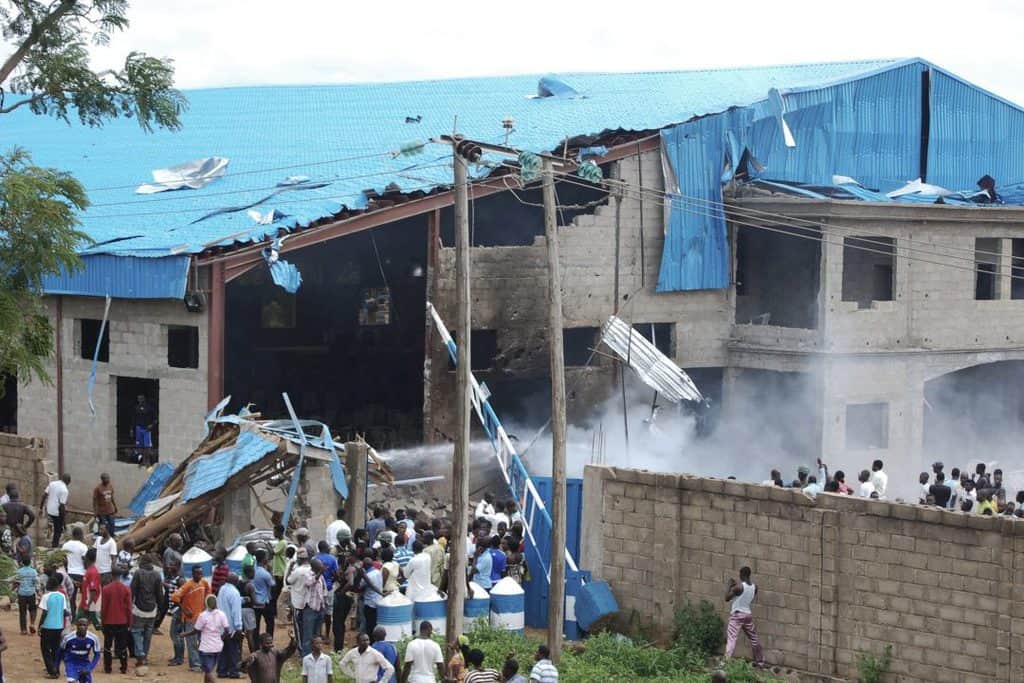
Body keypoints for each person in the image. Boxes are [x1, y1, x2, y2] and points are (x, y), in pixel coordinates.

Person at [171, 564, 211, 673]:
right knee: (192, 642)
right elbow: (174, 597)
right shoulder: (188, 585)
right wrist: (184, 609)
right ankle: (195, 664)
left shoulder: (204, 583)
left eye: (201, 573)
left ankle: (201, 662)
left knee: (201, 641)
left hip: (201, 618)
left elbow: (209, 593)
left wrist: (205, 607)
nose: (200, 575)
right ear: (193, 573)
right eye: (197, 573)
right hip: (190, 619)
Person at [724, 566, 764, 667]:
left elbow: (726, 598)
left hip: (737, 615)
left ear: (742, 574)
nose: (739, 576)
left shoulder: (739, 587)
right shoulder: (755, 587)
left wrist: (729, 586)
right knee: (754, 638)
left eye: (740, 574)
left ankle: (724, 663)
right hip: (747, 615)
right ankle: (760, 662)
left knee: (731, 639)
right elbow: (746, 597)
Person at [185, 594, 230, 683]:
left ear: (206, 604)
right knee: (209, 670)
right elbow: (227, 629)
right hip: (217, 647)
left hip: (206, 648)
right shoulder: (222, 614)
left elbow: (196, 630)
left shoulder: (203, 615)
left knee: (208, 671)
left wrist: (185, 634)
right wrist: (221, 637)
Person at [130, 553, 163, 667]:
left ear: (142, 563)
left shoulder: (138, 573)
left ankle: (140, 654)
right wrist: (160, 609)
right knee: (148, 634)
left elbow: (132, 591)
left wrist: (130, 605)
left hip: (139, 609)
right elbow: (159, 594)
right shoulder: (157, 575)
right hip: (152, 610)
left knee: (136, 632)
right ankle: (144, 657)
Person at [100, 566, 132, 674]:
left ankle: (107, 668)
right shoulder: (126, 589)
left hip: (109, 621)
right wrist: (129, 622)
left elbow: (104, 607)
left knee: (108, 646)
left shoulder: (106, 589)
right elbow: (128, 607)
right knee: (122, 645)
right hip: (122, 621)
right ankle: (123, 667)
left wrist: (103, 621)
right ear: (121, 575)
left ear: (111, 575)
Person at [38, 574, 71, 678]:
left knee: (45, 649)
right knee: (56, 648)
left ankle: (52, 671)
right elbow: (64, 611)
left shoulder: (46, 596)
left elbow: (44, 613)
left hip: (48, 626)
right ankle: (56, 669)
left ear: (49, 585)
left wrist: (40, 625)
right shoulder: (62, 596)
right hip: (59, 626)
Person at [217, 573, 245, 678]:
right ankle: (234, 672)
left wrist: (242, 599)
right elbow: (236, 612)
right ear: (236, 582)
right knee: (234, 649)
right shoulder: (235, 592)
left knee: (223, 649)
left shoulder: (222, 589)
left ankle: (222, 671)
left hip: (221, 625)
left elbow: (225, 603)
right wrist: (239, 628)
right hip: (232, 627)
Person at [286, 547, 314, 652]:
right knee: (307, 627)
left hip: (297, 603)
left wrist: (290, 568)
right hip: (308, 603)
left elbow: (288, 581)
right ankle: (308, 648)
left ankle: (301, 649)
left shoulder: (297, 571)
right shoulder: (312, 569)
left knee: (298, 627)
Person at [301, 559, 328, 658]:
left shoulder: (320, 576)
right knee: (308, 636)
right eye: (320, 565)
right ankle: (306, 657)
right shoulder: (308, 574)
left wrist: (324, 605)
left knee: (317, 635)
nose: (322, 567)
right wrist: (320, 572)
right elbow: (309, 583)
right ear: (314, 566)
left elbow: (323, 591)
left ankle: (316, 655)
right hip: (310, 609)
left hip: (319, 608)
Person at [60, 617, 101, 683]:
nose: (82, 627)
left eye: (84, 625)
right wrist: (58, 664)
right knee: (72, 681)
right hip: (71, 663)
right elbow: (61, 651)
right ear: (76, 625)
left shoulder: (94, 638)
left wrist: (89, 668)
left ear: (88, 626)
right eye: (80, 625)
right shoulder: (68, 638)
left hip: (85, 664)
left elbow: (97, 655)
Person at [314, 541, 338, 640]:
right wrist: (331, 581)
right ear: (326, 548)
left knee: (318, 611)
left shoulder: (314, 559)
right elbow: (336, 574)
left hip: (316, 589)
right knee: (328, 612)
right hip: (328, 588)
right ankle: (327, 635)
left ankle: (318, 634)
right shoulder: (332, 559)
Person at [39, 473, 71, 548]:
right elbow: (61, 506)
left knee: (51, 525)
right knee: (58, 530)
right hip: (56, 512)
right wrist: (63, 521)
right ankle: (54, 546)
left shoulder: (52, 483)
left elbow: (44, 495)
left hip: (49, 509)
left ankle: (49, 537)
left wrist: (41, 508)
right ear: (68, 481)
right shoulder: (64, 490)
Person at [251, 553, 276, 641]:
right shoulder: (265, 573)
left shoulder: (253, 570)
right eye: (266, 558)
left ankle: (256, 645)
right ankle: (268, 642)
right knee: (270, 624)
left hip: (254, 602)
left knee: (256, 626)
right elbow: (273, 584)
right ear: (263, 560)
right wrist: (270, 571)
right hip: (265, 602)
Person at [62, 526, 88, 608]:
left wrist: (66, 570)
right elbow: (85, 561)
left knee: (71, 598)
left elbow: (63, 560)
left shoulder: (65, 545)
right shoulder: (83, 546)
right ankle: (83, 615)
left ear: (73, 535)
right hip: (81, 574)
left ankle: (72, 617)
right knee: (85, 596)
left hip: (70, 573)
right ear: (80, 535)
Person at [78, 548, 102, 628]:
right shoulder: (89, 571)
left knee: (98, 627)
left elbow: (93, 590)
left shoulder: (92, 572)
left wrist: (88, 605)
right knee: (80, 624)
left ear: (87, 558)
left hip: (90, 606)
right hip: (85, 604)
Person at [360, 556, 384, 636]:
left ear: (365, 566)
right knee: (375, 623)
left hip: (369, 603)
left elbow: (360, 587)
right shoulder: (378, 571)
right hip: (378, 601)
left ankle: (371, 641)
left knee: (369, 625)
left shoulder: (368, 576)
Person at [14, 554, 38, 634]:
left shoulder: (19, 572)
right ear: (30, 562)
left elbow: (16, 583)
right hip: (31, 593)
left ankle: (23, 630)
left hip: (22, 593)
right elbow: (35, 582)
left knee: (22, 612)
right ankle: (32, 624)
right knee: (33, 610)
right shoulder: (33, 571)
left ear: (22, 563)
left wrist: (13, 589)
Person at [92, 473, 117, 537]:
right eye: (106, 478)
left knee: (112, 524)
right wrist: (95, 512)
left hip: (110, 510)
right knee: (103, 526)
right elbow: (94, 501)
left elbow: (112, 497)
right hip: (102, 511)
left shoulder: (110, 486)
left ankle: (112, 536)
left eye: (108, 478)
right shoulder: (97, 488)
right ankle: (102, 537)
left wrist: (115, 506)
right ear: (102, 479)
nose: (108, 480)